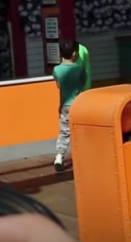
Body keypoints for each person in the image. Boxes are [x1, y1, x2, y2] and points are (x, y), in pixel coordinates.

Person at [52, 39, 86, 172]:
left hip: (65, 105)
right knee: (80, 131)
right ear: (75, 54)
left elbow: (58, 84)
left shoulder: (57, 69)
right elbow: (83, 83)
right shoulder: (80, 69)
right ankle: (82, 157)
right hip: (78, 104)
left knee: (64, 132)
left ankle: (59, 157)